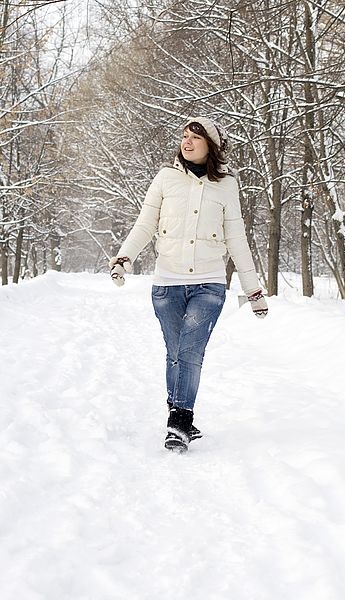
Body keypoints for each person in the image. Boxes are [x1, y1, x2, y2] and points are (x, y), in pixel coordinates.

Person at [109, 116, 268, 453]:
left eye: (195, 137)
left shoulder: (226, 186)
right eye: (184, 136)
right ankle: (178, 412)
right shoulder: (166, 179)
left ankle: (179, 421)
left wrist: (253, 291)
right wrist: (124, 257)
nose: (187, 142)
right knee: (175, 354)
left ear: (211, 146)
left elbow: (237, 239)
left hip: (208, 283)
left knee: (190, 352)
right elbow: (145, 224)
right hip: (167, 282)